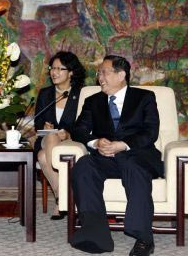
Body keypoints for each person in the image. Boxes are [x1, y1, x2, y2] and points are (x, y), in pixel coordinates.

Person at [69, 55, 163, 256]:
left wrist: (124, 145)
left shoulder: (144, 97)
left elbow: (150, 132)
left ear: (121, 75)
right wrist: (96, 142)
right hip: (105, 157)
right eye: (98, 73)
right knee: (84, 166)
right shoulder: (93, 101)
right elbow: (79, 129)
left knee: (134, 168)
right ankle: (95, 234)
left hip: (137, 155)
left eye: (104, 72)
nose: (99, 77)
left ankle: (144, 238)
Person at [34, 51, 85, 219]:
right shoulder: (45, 93)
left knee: (42, 158)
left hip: (72, 141)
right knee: (50, 136)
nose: (53, 72)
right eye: (52, 68)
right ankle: (64, 194)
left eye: (59, 68)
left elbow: (85, 125)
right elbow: (37, 122)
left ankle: (60, 199)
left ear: (71, 72)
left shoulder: (81, 94)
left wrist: (69, 133)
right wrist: (44, 125)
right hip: (47, 140)